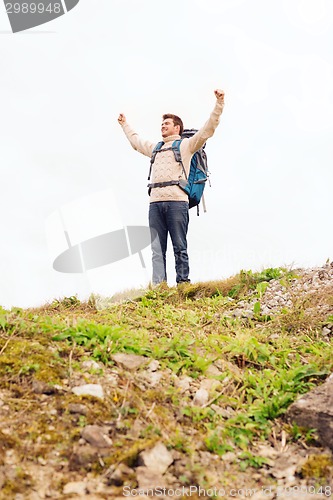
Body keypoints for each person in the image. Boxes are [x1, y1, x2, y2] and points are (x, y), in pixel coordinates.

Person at [118, 89, 225, 286]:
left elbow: (207, 129)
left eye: (166, 124)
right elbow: (136, 142)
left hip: (177, 202)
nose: (162, 127)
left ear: (177, 128)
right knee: (157, 249)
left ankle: (183, 283)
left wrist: (219, 104)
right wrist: (124, 124)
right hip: (155, 203)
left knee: (179, 246)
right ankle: (159, 286)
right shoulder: (155, 148)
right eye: (162, 124)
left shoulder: (187, 146)